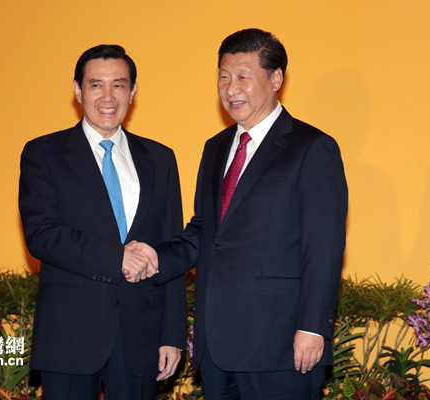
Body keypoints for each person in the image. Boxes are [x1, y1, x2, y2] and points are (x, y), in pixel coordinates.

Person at [127, 29, 348, 399]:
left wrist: (312, 328)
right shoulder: (215, 148)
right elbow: (206, 231)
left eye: (244, 76)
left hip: (281, 346)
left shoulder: (311, 148)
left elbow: (323, 248)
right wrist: (158, 257)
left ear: (276, 79)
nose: (231, 89)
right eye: (224, 77)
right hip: (217, 346)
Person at [18, 44, 185, 400]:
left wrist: (172, 334)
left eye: (119, 85)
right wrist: (117, 257)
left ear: (132, 92)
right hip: (70, 336)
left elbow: (171, 248)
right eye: (96, 85)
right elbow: (42, 235)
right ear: (77, 90)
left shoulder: (160, 158)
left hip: (141, 338)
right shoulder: (44, 153)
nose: (108, 97)